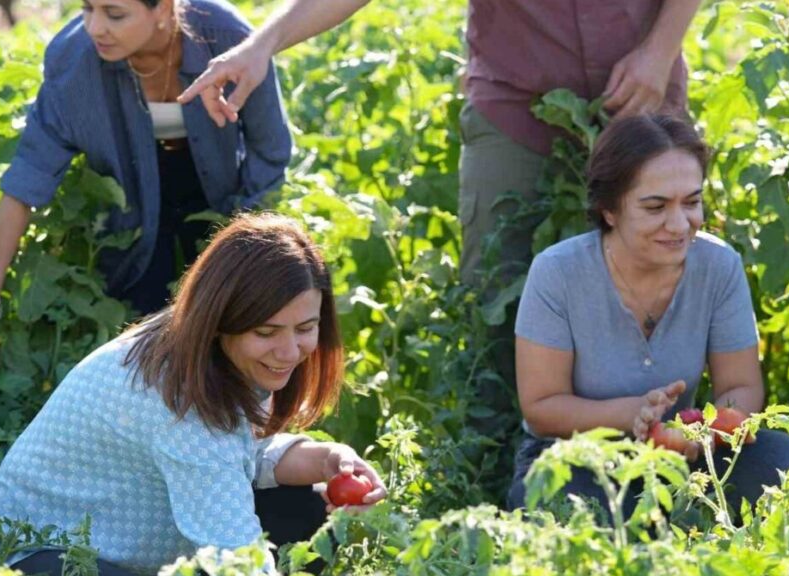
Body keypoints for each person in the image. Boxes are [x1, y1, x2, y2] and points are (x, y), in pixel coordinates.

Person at [176, 0, 702, 435]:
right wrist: (261, 45)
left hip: (644, 91)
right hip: (517, 104)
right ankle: (500, 469)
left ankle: (686, 451)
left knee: (663, 268)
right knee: (495, 292)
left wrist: (661, 50)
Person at [0, 214, 387, 576]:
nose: (290, 351)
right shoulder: (180, 405)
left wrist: (324, 459)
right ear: (221, 320)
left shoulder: (212, 355)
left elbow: (235, 456)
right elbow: (240, 570)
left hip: (126, 557)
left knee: (305, 507)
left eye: (305, 328)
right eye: (266, 332)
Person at [0, 0, 292, 377]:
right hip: (131, 208)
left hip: (219, 191)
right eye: (87, 8)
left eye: (115, 14)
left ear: (163, 9)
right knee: (141, 335)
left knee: (226, 326)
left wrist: (247, 248)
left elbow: (269, 152)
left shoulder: (230, 39)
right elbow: (24, 184)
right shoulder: (73, 63)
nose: (96, 28)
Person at [505, 115, 789, 515]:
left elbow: (741, 388)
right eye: (655, 207)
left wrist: (700, 430)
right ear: (609, 211)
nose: (679, 224)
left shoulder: (719, 267)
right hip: (576, 454)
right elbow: (542, 408)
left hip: (686, 453)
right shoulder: (558, 273)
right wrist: (630, 414)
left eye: (692, 202)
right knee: (564, 509)